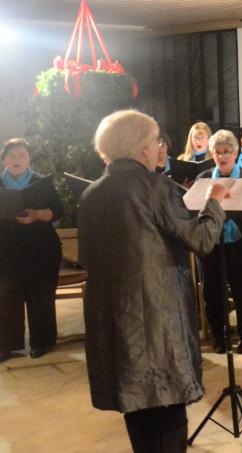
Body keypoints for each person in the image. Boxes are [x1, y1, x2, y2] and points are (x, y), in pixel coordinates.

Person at [78, 109, 229, 453]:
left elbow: (88, 258)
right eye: (155, 141)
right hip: (156, 313)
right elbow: (201, 240)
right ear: (141, 148)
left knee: (138, 405)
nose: (159, 148)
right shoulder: (155, 186)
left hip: (114, 316)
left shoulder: (92, 194)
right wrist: (214, 204)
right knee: (166, 404)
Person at [198, 129, 242, 354]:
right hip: (213, 243)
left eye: (227, 151)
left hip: (241, 242)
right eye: (217, 152)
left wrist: (237, 208)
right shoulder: (204, 179)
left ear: (236, 153)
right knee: (213, 292)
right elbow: (195, 210)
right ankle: (221, 337)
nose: (222, 156)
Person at [0, 138, 63, 362]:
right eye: (12, 156)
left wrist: (36, 215)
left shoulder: (41, 183)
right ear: (4, 159)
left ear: (29, 159)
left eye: (22, 155)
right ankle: (7, 344)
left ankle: (41, 341)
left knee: (41, 296)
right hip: (5, 252)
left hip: (41, 250)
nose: (17, 160)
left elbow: (57, 210)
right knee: (6, 297)